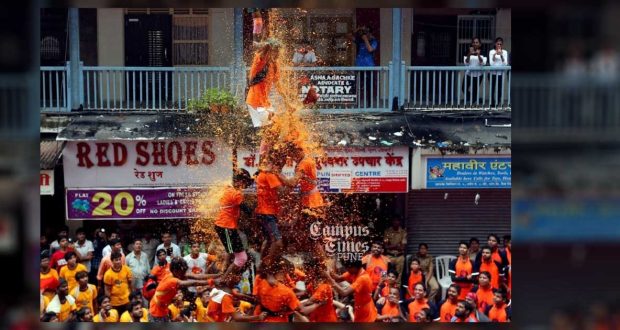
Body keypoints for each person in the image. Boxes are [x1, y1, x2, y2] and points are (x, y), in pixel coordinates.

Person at [148, 257, 219, 322]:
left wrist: (218, 276)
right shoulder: (171, 280)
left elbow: (197, 276)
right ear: (175, 271)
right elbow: (194, 283)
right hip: (156, 313)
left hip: (163, 310)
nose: (184, 273)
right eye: (183, 271)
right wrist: (212, 281)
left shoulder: (176, 274)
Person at [213, 168, 254, 277]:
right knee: (242, 258)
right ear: (240, 182)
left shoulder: (227, 188)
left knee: (231, 251)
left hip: (224, 226)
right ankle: (224, 278)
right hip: (226, 226)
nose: (246, 186)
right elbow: (248, 211)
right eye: (246, 183)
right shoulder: (236, 194)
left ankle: (223, 273)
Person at [246, 38, 285, 128]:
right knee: (266, 128)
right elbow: (261, 50)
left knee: (275, 124)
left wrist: (288, 103)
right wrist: (268, 44)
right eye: (276, 51)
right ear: (270, 51)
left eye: (278, 51)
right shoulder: (261, 61)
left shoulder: (275, 65)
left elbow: (279, 86)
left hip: (265, 103)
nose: (278, 54)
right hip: (255, 102)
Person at [463, 37, 487, 105]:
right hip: (469, 73)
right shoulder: (467, 51)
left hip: (478, 74)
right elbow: (466, 63)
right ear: (472, 43)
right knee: (464, 88)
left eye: (477, 42)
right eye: (474, 42)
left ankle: (473, 103)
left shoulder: (483, 52)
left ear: (480, 44)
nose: (475, 44)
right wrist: (469, 54)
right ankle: (474, 99)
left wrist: (478, 55)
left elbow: (483, 63)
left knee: (475, 89)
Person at [383, 215, 407, 285]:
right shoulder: (387, 231)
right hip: (389, 256)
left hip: (400, 257)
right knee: (387, 275)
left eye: (397, 221)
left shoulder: (403, 232)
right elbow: (386, 246)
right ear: (392, 222)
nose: (396, 222)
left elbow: (402, 247)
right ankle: (387, 290)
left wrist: (391, 246)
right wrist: (396, 245)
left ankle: (397, 292)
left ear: (400, 222)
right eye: (394, 220)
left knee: (398, 277)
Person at [488, 37, 509, 107]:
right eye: (498, 44)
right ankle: (492, 103)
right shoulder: (491, 52)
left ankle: (497, 103)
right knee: (492, 89)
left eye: (500, 44)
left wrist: (501, 55)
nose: (499, 45)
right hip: (492, 73)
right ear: (495, 44)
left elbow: (505, 64)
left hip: (501, 73)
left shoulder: (505, 52)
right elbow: (491, 63)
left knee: (499, 89)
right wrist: (495, 54)